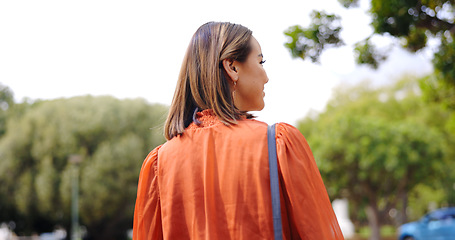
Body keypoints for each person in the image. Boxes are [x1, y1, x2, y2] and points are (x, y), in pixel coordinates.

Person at [133, 22, 344, 240]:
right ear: (232, 67)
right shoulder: (278, 144)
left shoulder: (160, 163)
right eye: (261, 62)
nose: (266, 76)